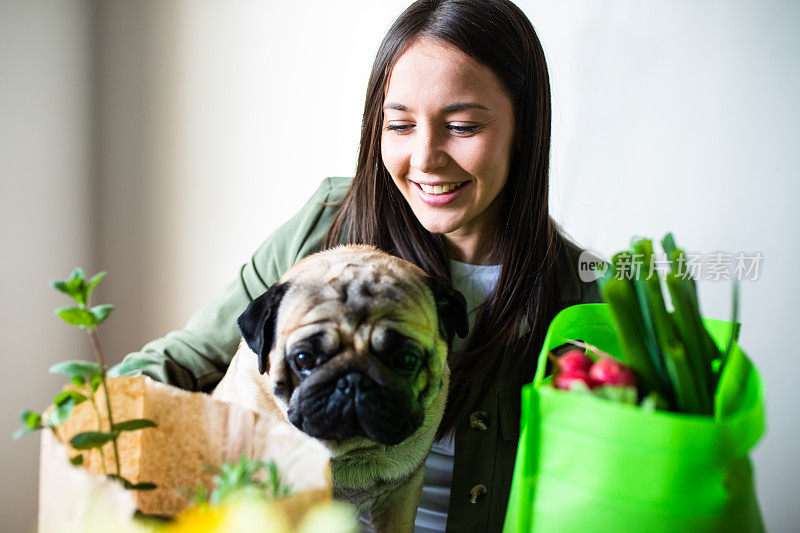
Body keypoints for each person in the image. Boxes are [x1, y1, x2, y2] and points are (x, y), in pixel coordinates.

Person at [120, 0, 601, 531]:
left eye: (461, 126)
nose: (426, 157)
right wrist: (101, 434)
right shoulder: (325, 230)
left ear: (526, 126)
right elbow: (178, 363)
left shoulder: (586, 298)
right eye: (399, 125)